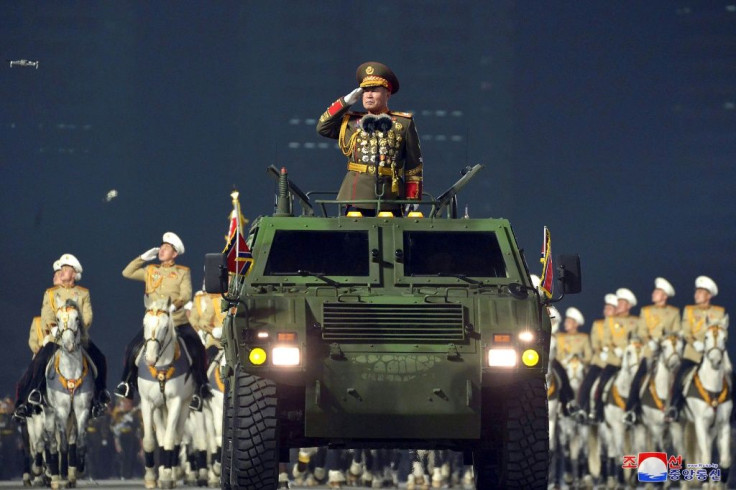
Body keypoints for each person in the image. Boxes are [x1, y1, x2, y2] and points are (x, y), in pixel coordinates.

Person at [115, 232, 211, 411]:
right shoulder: (151, 271)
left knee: (197, 348)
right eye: (162, 247)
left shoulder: (182, 272)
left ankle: (201, 388)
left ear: (175, 254)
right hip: (154, 323)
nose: (162, 250)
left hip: (177, 321)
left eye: (167, 248)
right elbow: (126, 272)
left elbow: (185, 295)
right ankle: (127, 384)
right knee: (132, 348)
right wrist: (142, 258)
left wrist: (173, 307)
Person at [316, 61, 423, 215]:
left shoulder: (403, 123)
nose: (368, 95)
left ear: (387, 94)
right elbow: (322, 127)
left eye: (374, 90)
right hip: (356, 195)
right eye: (365, 91)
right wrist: (345, 102)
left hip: (390, 196)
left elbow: (414, 166)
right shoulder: (351, 122)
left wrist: (412, 198)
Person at [19, 254, 110, 418]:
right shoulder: (51, 293)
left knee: (100, 358)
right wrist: (53, 328)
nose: (62, 272)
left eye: (66, 269)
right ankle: (35, 394)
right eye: (61, 269)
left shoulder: (83, 293)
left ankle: (99, 396)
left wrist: (79, 329)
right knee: (39, 361)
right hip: (56, 338)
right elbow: (46, 314)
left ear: (74, 274)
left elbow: (88, 315)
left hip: (78, 337)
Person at [666, 276, 726, 421]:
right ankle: (674, 407)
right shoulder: (689, 310)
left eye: (700, 292)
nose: (696, 295)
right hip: (693, 353)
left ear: (709, 296)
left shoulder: (719, 312)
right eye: (696, 292)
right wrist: (695, 343)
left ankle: (731, 414)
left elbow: (721, 331)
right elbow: (686, 331)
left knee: (730, 378)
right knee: (679, 377)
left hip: (713, 355)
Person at [624, 277, 680, 424]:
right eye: (655, 291)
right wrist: (650, 340)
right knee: (637, 380)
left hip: (667, 353)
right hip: (650, 352)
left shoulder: (673, 312)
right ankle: (631, 410)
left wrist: (666, 340)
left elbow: (677, 331)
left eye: (657, 291)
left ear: (664, 296)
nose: (654, 293)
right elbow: (641, 331)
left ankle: (676, 408)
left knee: (680, 379)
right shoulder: (646, 311)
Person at [587, 288, 639, 422]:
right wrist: (613, 349)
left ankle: (638, 412)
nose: (619, 305)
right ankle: (596, 411)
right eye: (618, 302)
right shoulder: (609, 321)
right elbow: (605, 340)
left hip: (631, 361)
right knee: (602, 383)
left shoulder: (636, 321)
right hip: (614, 360)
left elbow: (639, 339)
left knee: (640, 383)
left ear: (629, 306)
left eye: (622, 303)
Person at [574, 293, 617, 421]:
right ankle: (582, 409)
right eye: (606, 308)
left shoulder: (619, 325)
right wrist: (602, 351)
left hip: (615, 361)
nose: (606, 310)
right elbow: (594, 342)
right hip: (600, 361)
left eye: (609, 308)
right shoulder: (598, 324)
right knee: (587, 383)